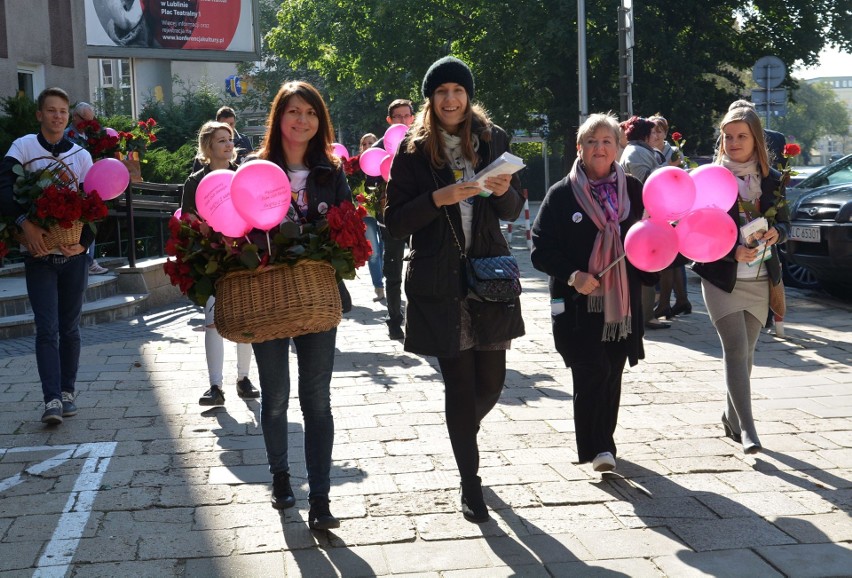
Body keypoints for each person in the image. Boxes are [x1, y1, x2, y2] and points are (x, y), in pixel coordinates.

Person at [384, 57, 525, 523]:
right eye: (441, 92)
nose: (450, 100)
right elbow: (395, 220)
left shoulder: (492, 138)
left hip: (489, 273)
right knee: (460, 385)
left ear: (468, 95)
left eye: (457, 91)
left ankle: (461, 431)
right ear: (430, 99)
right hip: (438, 280)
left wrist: (502, 190)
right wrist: (437, 199)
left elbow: (511, 208)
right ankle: (471, 483)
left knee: (492, 383)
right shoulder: (412, 150)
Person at [248, 81, 350, 530]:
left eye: (310, 112)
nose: (302, 119)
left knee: (317, 401)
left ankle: (322, 500)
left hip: (314, 297)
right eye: (293, 111)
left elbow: (348, 231)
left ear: (319, 121)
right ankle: (281, 477)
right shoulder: (252, 169)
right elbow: (235, 233)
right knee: (274, 398)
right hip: (266, 298)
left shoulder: (331, 173)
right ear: (279, 118)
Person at [531, 112, 653, 474]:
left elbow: (649, 239)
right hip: (576, 304)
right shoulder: (561, 194)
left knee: (612, 370)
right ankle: (598, 446)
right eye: (591, 142)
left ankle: (603, 443)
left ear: (619, 147)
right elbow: (540, 249)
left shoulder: (633, 189)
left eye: (607, 141)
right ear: (579, 148)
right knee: (591, 370)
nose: (599, 148)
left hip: (621, 303)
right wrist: (573, 276)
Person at [693, 106, 789, 454]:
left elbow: (786, 223)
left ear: (756, 140)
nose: (733, 142)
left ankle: (730, 417)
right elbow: (695, 234)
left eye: (741, 136)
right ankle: (749, 430)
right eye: (728, 136)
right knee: (735, 350)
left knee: (747, 354)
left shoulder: (773, 179)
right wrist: (730, 252)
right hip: (722, 279)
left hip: (761, 277)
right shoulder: (708, 178)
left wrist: (778, 231)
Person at [0, 88, 94, 425]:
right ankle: (51, 399)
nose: (57, 116)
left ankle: (67, 392)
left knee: (69, 328)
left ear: (69, 117)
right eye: (51, 110)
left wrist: (83, 242)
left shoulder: (82, 156)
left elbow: (94, 207)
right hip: (37, 254)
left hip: (73, 256)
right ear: (39, 115)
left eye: (63, 111)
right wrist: (25, 223)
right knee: (46, 328)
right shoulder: (23, 147)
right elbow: (5, 190)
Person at [180, 121, 259, 406]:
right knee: (212, 320)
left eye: (230, 140)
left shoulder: (242, 175)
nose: (228, 145)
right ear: (208, 148)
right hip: (210, 258)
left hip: (241, 254)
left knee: (244, 318)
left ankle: (244, 378)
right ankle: (215, 385)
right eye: (221, 141)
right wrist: (201, 229)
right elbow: (186, 220)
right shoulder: (195, 181)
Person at [619, 116, 670, 330]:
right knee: (645, 267)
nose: (655, 137)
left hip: (642, 217)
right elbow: (646, 185)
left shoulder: (636, 150)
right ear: (645, 135)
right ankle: (645, 316)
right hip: (642, 218)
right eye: (652, 133)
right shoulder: (637, 153)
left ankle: (644, 314)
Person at [375, 99, 417, 340]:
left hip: (417, 218)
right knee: (392, 272)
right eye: (397, 117)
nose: (402, 120)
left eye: (406, 116)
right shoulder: (381, 147)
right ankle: (394, 319)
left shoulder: (421, 144)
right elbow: (369, 180)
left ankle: (418, 316)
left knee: (420, 267)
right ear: (389, 120)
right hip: (389, 220)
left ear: (412, 118)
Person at [647, 114, 692, 319]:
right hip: (659, 208)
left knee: (671, 259)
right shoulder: (648, 150)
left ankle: (667, 304)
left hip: (672, 209)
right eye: (652, 130)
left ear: (665, 133)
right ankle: (681, 301)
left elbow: (677, 178)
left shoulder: (672, 151)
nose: (655, 134)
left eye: (659, 130)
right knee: (672, 260)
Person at [65, 102, 109, 275]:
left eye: (92, 121)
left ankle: (89, 259)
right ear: (75, 117)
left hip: (92, 184)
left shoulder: (92, 134)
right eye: (85, 120)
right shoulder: (68, 136)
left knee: (91, 219)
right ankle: (88, 261)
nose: (89, 124)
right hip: (76, 184)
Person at [358, 132, 385, 302]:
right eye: (364, 144)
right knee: (373, 252)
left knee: (384, 250)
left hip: (383, 213)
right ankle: (379, 287)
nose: (368, 146)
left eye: (371, 143)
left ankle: (388, 281)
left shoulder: (383, 164)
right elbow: (352, 190)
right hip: (366, 214)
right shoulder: (356, 167)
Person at [192, 106, 253, 170]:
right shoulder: (208, 142)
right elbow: (198, 169)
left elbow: (252, 163)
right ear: (217, 123)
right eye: (225, 124)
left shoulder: (244, 140)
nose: (228, 127)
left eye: (231, 124)